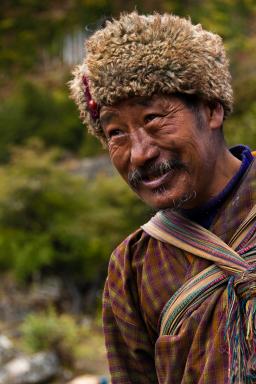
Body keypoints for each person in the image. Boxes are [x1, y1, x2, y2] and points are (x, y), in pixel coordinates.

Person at [70, 12, 256, 384]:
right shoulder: (132, 267)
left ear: (211, 109)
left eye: (154, 117)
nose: (139, 153)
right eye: (116, 132)